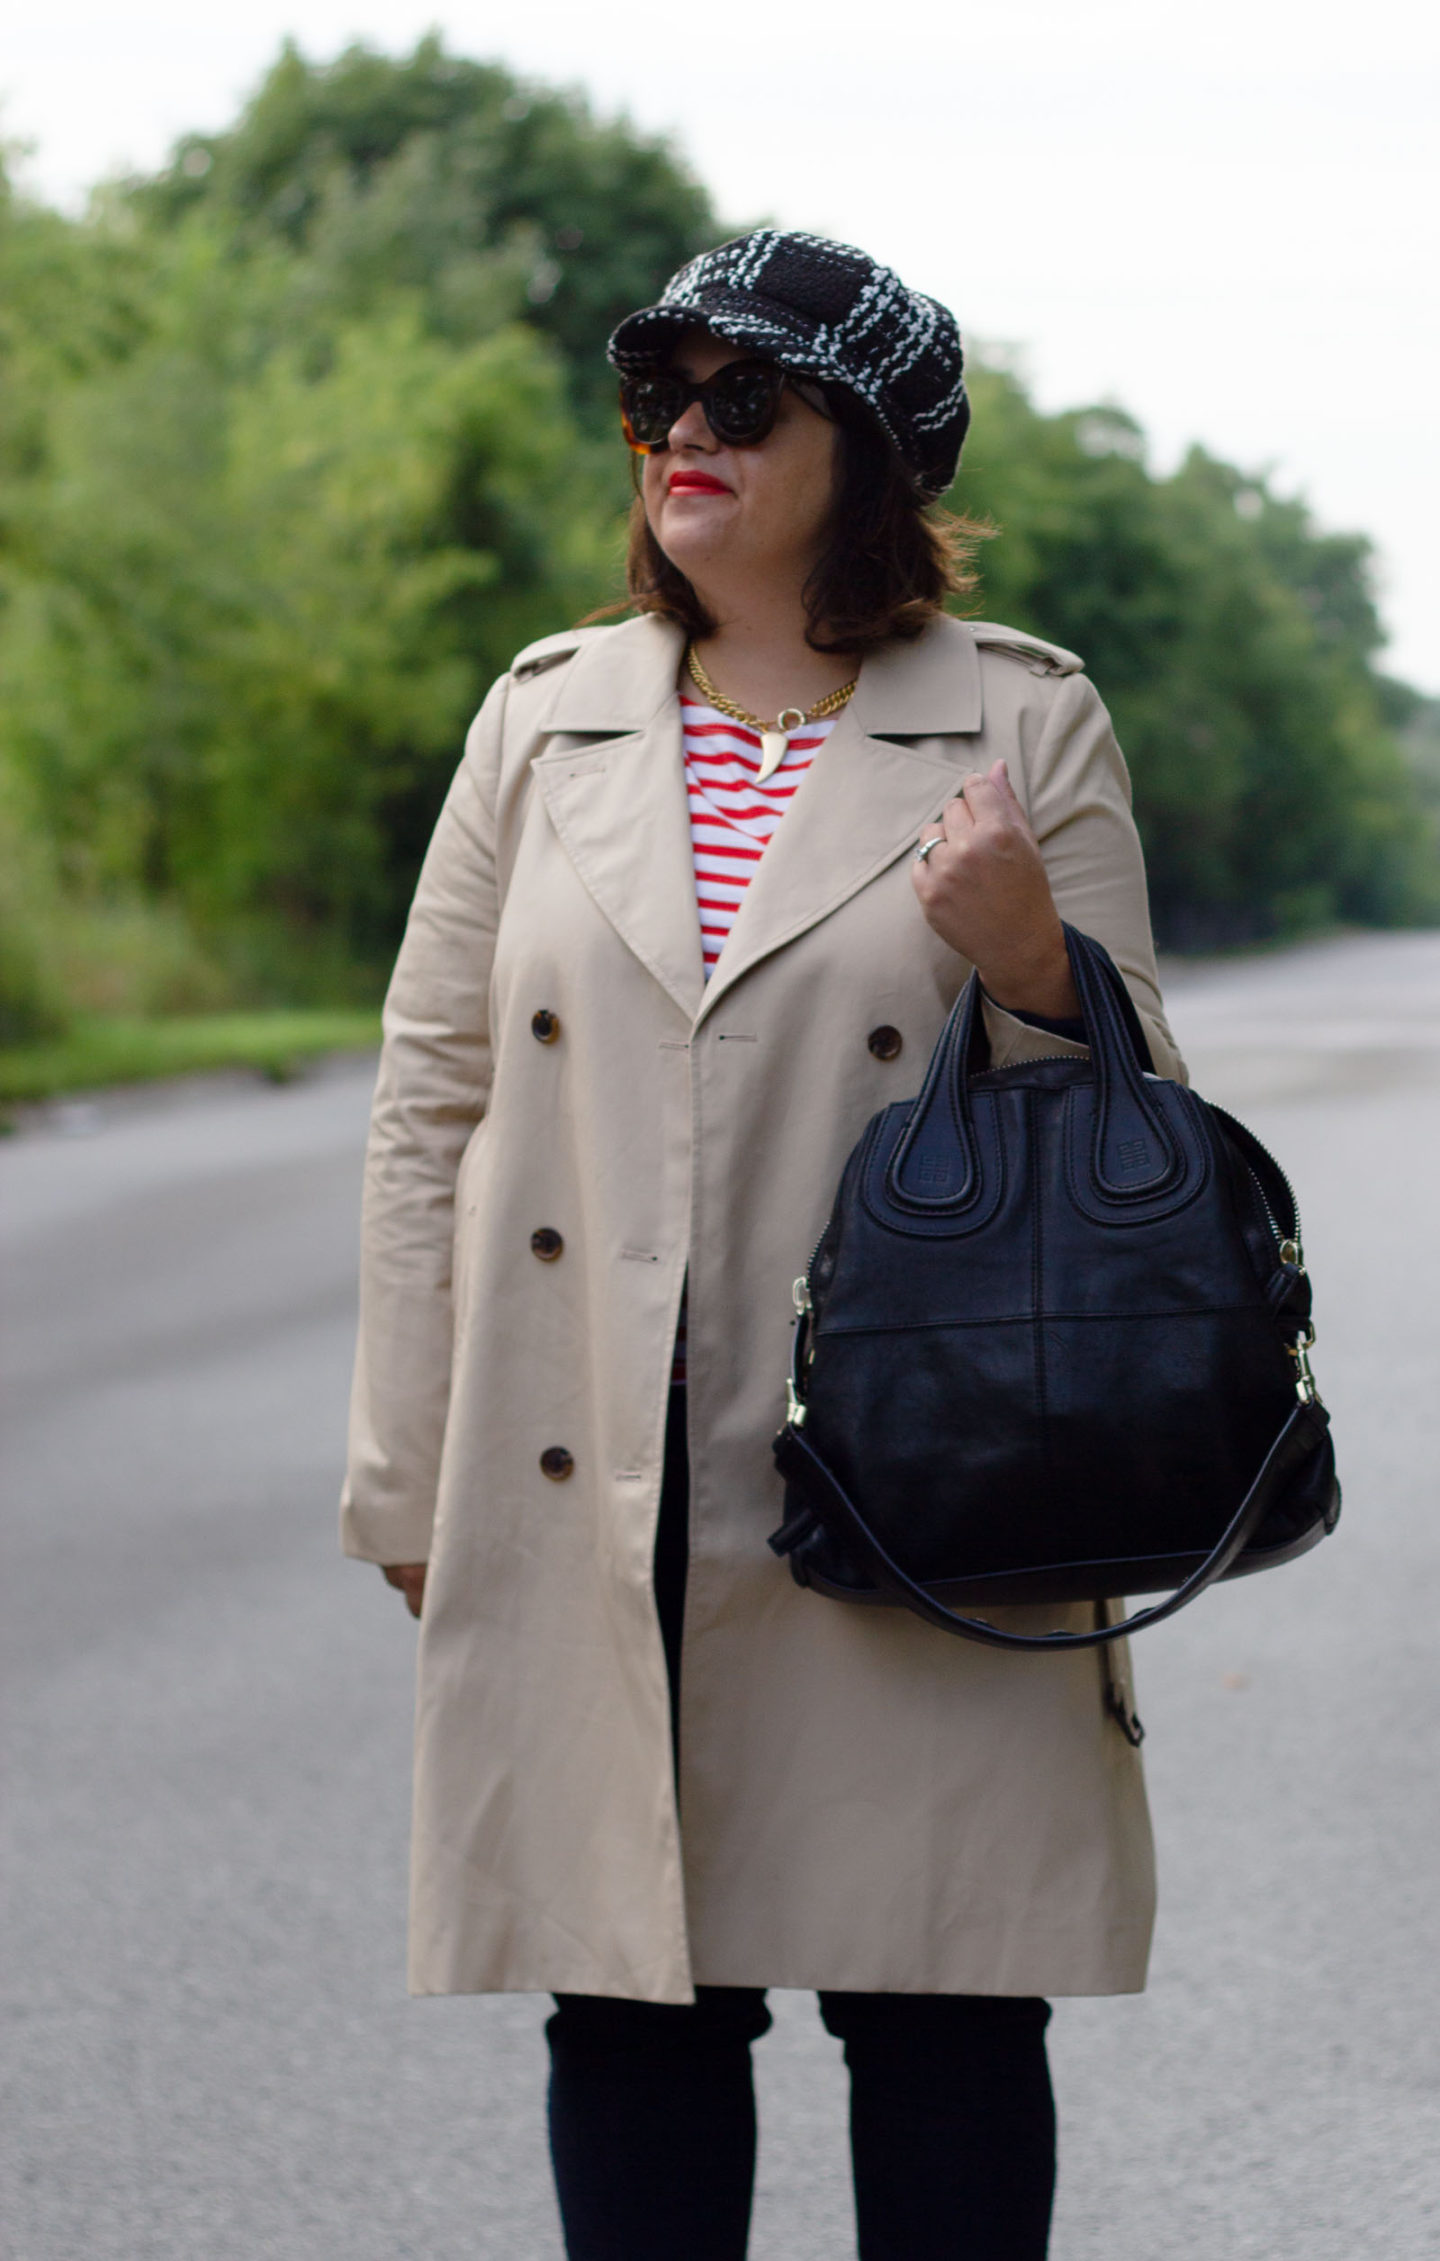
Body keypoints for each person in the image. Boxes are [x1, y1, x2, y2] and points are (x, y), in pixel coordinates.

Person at [341, 228, 1185, 2260]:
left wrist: (1029, 966)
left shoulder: (1021, 719)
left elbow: (1143, 1137)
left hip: (918, 1473)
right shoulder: (545, 718)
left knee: (939, 2006)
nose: (682, 434)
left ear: (871, 451)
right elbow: (431, 1102)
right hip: (589, 1469)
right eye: (663, 394)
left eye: (746, 399)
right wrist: (406, 1464)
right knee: (632, 2007)